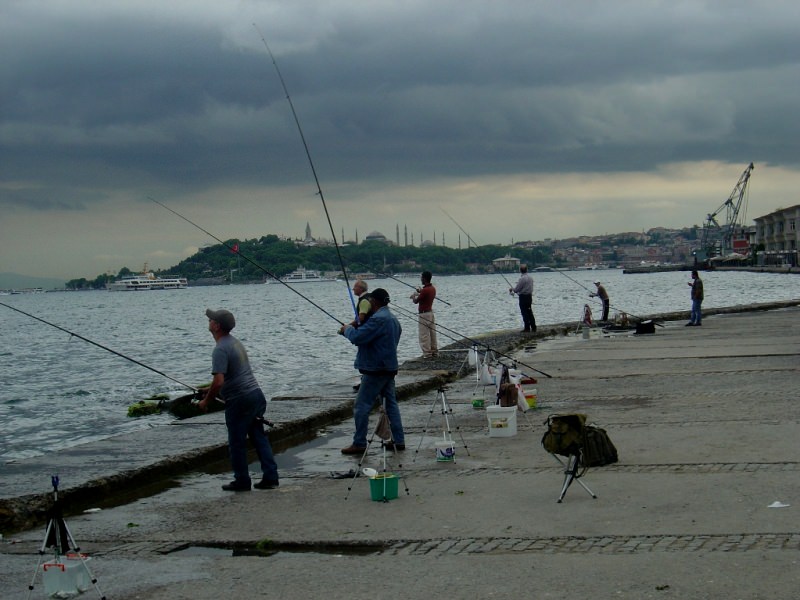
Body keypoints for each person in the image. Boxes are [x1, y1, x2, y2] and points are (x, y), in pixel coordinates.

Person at [199, 308, 279, 491]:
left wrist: (206, 401)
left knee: (236, 442)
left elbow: (219, 381)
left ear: (217, 326)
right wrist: (208, 390)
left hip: (240, 401)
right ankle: (271, 477)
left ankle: (242, 480)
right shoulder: (235, 343)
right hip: (255, 395)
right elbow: (232, 377)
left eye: (211, 319)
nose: (209, 321)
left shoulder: (220, 349)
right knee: (259, 437)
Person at [338, 288, 406, 454]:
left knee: (361, 405)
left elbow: (358, 338)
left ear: (374, 302)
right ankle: (398, 440)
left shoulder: (378, 319)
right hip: (389, 368)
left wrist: (347, 329)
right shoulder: (392, 318)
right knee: (391, 405)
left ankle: (359, 443)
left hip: (376, 370)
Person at [410, 270, 438, 357]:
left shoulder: (425, 290)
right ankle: (434, 351)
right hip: (430, 313)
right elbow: (424, 293)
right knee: (432, 333)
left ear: (424, 278)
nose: (421, 279)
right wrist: (420, 291)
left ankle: (427, 353)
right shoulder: (432, 288)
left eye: (421, 277)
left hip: (423, 314)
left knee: (424, 335)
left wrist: (413, 296)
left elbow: (416, 301)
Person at [509, 264, 536, 333]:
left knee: (524, 312)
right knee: (530, 312)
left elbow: (516, 290)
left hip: (523, 297)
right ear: (526, 269)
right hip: (529, 297)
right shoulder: (530, 278)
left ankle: (527, 328)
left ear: (520, 270)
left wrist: (512, 289)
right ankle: (533, 327)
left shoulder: (522, 279)